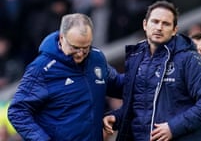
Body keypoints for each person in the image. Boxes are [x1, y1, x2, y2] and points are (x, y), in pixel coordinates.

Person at [103, 0, 201, 141]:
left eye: (165, 24)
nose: (159, 27)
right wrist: (117, 118)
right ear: (145, 25)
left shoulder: (189, 60)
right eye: (155, 21)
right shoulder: (137, 59)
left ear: (174, 30)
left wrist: (173, 127)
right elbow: (141, 106)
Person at [7, 13, 122, 141]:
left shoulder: (97, 58)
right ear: (62, 38)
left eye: (86, 48)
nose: (80, 54)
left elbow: (118, 84)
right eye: (75, 47)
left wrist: (144, 74)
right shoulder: (42, 68)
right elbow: (17, 111)